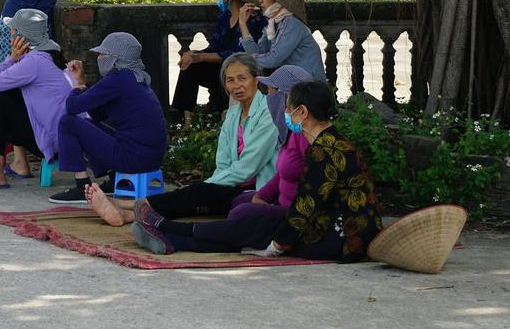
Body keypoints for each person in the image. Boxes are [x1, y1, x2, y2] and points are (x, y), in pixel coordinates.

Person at [133, 79, 383, 261]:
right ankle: (173, 238)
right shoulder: (332, 142)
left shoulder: (324, 150)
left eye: (289, 107)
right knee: (255, 226)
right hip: (335, 227)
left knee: (256, 230)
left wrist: (276, 246)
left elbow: (305, 205)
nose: (285, 112)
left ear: (303, 112)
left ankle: (167, 229)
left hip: (342, 238)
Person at [124, 65, 313, 253]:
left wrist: (280, 238)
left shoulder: (312, 139)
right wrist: (262, 196)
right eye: (230, 80)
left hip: (295, 213)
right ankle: (170, 238)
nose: (269, 96)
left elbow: (312, 192)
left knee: (242, 215)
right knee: (238, 208)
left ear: (290, 99)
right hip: (273, 199)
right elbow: (279, 175)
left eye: (273, 92)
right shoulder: (290, 132)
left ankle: (168, 231)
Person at [85, 53, 278, 224]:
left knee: (198, 193)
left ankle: (128, 207)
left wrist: (210, 185)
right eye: (230, 80)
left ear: (256, 79)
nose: (236, 86)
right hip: (233, 184)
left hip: (259, 188)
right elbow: (223, 162)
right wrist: (213, 185)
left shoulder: (268, 114)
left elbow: (248, 167)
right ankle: (130, 212)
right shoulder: (233, 115)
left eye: (242, 78)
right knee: (196, 197)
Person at [48, 32, 168, 205]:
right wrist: (84, 85)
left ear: (115, 59)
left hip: (134, 158)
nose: (99, 58)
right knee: (89, 124)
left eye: (103, 54)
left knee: (67, 121)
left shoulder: (118, 79)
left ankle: (83, 187)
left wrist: (78, 85)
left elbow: (72, 107)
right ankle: (114, 180)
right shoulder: (135, 77)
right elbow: (96, 114)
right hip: (150, 158)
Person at [0, 8, 72, 191]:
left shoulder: (34, 61)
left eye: (12, 32)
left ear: (22, 38)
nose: (10, 35)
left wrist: (11, 59)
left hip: (53, 142)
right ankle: (20, 164)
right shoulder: (51, 51)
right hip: (62, 137)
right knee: (11, 94)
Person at [172, 0, 267, 129]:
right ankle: (187, 120)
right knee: (190, 66)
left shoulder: (255, 19)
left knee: (228, 69)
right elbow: (214, 46)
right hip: (219, 66)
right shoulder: (225, 17)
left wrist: (201, 57)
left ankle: (225, 117)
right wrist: (195, 54)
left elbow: (239, 53)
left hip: (240, 68)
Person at [238, 0, 326, 80]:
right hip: (293, 84)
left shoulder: (292, 23)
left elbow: (274, 59)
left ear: (278, 0)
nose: (260, 0)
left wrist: (244, 59)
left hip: (310, 87)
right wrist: (242, 23)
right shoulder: (272, 24)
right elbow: (258, 54)